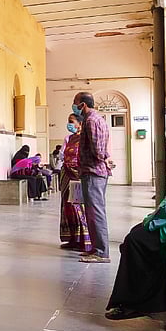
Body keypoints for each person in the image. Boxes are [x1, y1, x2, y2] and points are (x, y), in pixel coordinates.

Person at [105, 121, 166, 320]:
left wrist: (155, 221)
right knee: (137, 235)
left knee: (136, 241)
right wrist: (153, 218)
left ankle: (135, 302)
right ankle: (142, 298)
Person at [74, 91, 112, 263]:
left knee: (96, 212)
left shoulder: (91, 120)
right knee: (92, 211)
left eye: (75, 104)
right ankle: (96, 248)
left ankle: (101, 252)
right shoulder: (97, 119)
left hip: (93, 172)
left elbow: (98, 150)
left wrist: (103, 158)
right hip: (93, 172)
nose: (74, 108)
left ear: (83, 105)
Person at [59, 113, 92, 253]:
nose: (69, 124)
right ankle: (72, 239)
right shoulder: (68, 138)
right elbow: (62, 154)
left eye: (71, 121)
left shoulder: (85, 137)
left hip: (78, 176)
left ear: (79, 123)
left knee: (79, 207)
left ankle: (84, 240)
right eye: (68, 121)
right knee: (67, 207)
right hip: (67, 175)